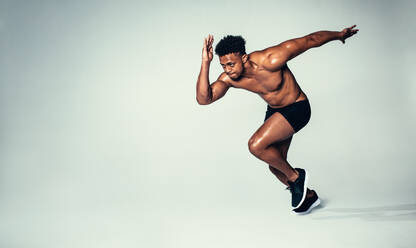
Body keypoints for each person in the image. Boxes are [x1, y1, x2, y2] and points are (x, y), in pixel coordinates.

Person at [196, 25, 359, 214]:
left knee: (256, 145)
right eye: (223, 65)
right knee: (275, 165)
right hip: (275, 111)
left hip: (298, 108)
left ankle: (297, 177)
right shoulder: (229, 79)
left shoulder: (271, 59)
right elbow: (204, 99)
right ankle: (309, 196)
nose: (228, 70)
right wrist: (205, 62)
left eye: (231, 64)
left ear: (244, 57)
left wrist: (338, 35)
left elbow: (310, 40)